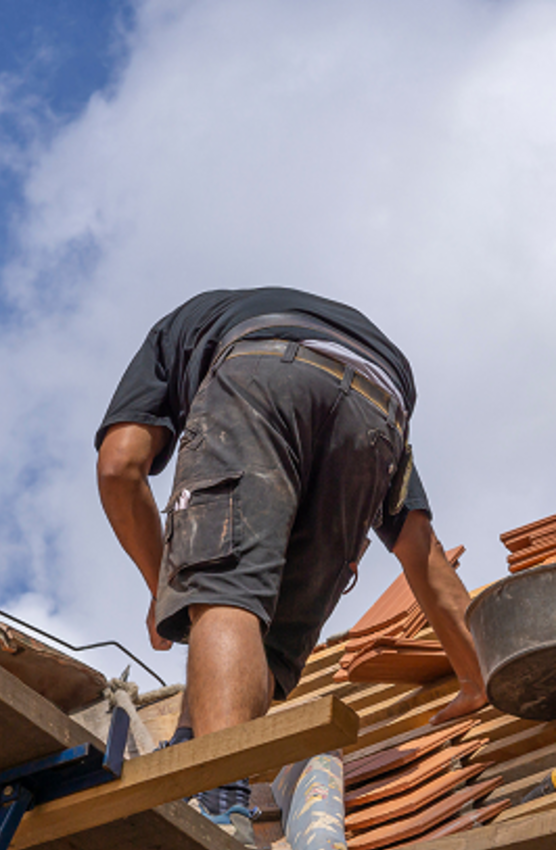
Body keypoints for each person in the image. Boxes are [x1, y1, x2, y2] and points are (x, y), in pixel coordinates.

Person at [96, 288, 486, 816]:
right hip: (380, 409)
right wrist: (478, 678)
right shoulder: (324, 342)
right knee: (265, 632)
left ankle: (216, 796)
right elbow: (419, 548)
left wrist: (165, 583)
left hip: (261, 372)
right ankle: (196, 753)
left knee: (222, 586)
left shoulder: (179, 330)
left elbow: (120, 466)